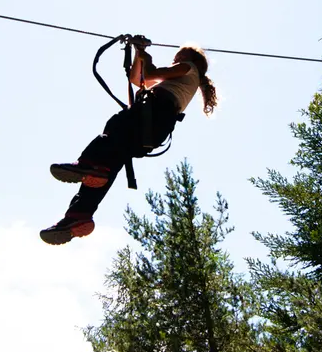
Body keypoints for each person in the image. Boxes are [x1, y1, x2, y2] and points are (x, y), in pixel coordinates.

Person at [40, 38, 218, 245]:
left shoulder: (188, 68)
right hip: (154, 126)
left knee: (113, 128)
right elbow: (138, 79)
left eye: (178, 55)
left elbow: (149, 74)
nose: (174, 58)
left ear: (189, 59)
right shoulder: (179, 79)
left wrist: (145, 55)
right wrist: (138, 53)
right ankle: (78, 215)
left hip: (154, 115)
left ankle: (86, 165)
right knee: (107, 166)